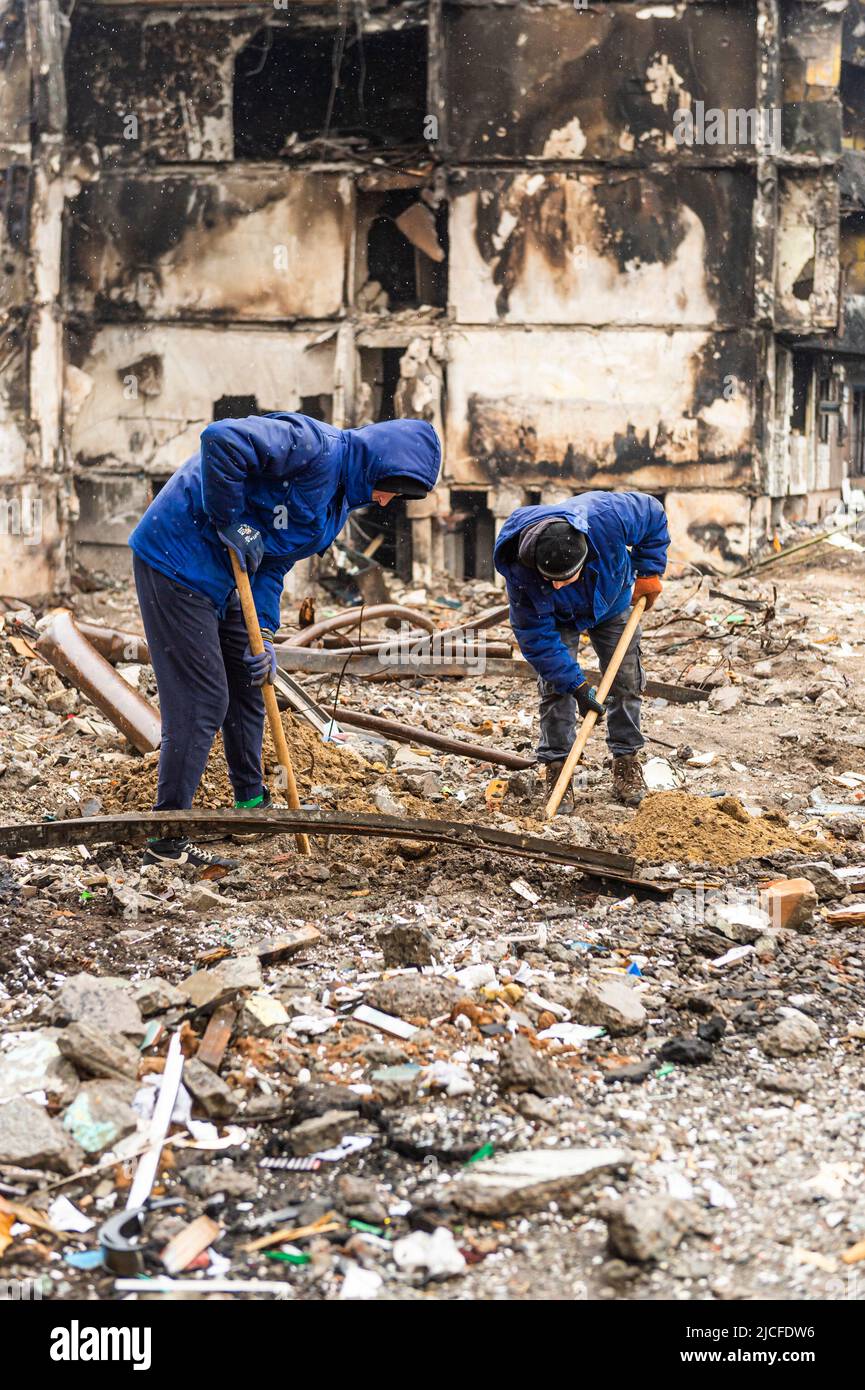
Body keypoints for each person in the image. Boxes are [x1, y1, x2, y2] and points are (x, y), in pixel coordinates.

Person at [129, 412, 441, 866]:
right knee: (203, 700)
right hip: (176, 559)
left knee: (251, 675)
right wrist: (230, 519)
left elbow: (273, 564)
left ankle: (251, 804)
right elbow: (222, 440)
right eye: (393, 488)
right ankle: (166, 837)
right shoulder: (314, 445)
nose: (389, 501)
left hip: (229, 579)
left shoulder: (334, 513)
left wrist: (267, 635)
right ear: (379, 467)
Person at [493, 490, 670, 806]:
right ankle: (559, 771)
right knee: (555, 690)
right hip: (558, 618)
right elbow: (538, 640)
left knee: (626, 679)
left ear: (585, 553)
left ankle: (626, 764)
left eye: (566, 577)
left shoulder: (608, 516)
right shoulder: (521, 574)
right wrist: (577, 686)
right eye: (552, 579)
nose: (558, 584)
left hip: (610, 601)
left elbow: (653, 515)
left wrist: (650, 570)